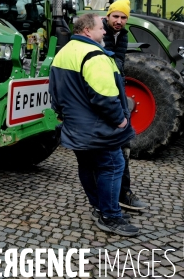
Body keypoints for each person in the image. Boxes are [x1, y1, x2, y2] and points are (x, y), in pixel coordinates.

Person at [49, 13, 139, 237]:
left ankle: (101, 207)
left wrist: (65, 115)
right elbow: (105, 98)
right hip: (97, 128)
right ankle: (110, 215)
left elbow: (55, 94)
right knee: (113, 165)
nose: (105, 31)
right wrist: (120, 119)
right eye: (101, 28)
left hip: (76, 126)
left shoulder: (63, 53)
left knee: (87, 165)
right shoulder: (94, 55)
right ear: (88, 31)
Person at [104, 0, 149, 211]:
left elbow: (118, 63)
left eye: (123, 17)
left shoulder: (123, 35)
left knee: (123, 143)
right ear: (108, 16)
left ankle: (122, 192)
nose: (119, 21)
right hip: (102, 89)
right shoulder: (100, 33)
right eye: (116, 16)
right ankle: (111, 197)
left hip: (114, 87)